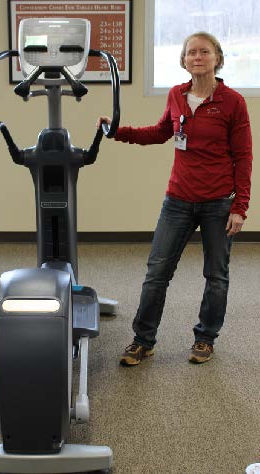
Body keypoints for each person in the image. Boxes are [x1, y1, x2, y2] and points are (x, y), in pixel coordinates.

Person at [97, 31, 253, 366]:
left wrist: (239, 207)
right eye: (191, 52)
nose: (197, 57)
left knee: (216, 275)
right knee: (157, 272)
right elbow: (160, 132)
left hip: (218, 203)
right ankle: (143, 340)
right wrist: (118, 131)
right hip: (178, 199)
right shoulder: (176, 95)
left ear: (217, 58)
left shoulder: (233, 102)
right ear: (183, 60)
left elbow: (244, 156)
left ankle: (205, 338)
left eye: (204, 52)